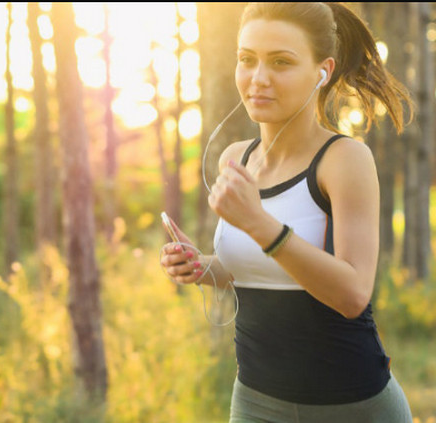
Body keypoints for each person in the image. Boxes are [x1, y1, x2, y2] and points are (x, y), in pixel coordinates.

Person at [160, 3, 415, 422]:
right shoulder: (235, 158)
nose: (258, 79)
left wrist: (260, 225)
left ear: (323, 70)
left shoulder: (343, 159)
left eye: (281, 62)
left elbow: (352, 294)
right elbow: (254, 269)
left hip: (354, 406)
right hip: (256, 402)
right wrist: (202, 267)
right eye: (247, 60)